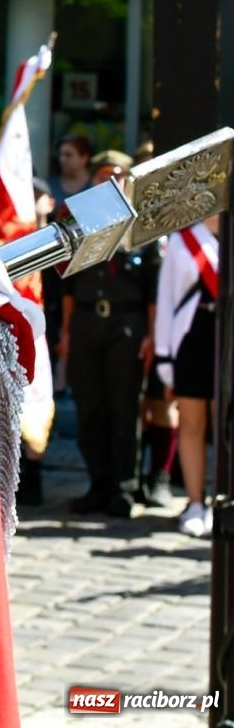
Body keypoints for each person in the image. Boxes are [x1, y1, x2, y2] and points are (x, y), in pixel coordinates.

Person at [61, 151, 157, 520]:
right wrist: (67, 334)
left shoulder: (142, 227)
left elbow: (152, 289)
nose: (110, 182)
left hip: (127, 326)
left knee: (124, 408)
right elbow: (67, 286)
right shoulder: (78, 224)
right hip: (86, 324)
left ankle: (124, 488)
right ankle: (97, 483)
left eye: (117, 175)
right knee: (91, 408)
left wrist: (151, 334)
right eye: (102, 176)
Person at [156, 216, 219, 536]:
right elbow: (167, 299)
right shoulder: (183, 238)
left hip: (228, 338)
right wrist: (164, 356)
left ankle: (223, 502)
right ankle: (196, 502)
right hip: (192, 338)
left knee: (226, 426)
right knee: (192, 424)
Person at [49, 133, 92, 213]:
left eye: (68, 155)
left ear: (84, 158)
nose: (62, 160)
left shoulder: (95, 185)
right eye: (60, 155)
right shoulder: (49, 185)